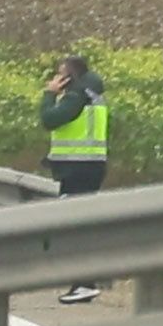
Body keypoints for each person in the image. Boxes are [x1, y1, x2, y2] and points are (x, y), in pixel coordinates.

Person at [42, 55, 109, 304]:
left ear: (70, 75)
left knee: (75, 227)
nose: (57, 77)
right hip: (88, 166)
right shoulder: (92, 93)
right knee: (79, 225)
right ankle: (83, 283)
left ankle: (85, 283)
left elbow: (50, 119)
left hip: (79, 169)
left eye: (60, 73)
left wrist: (49, 94)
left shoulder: (77, 96)